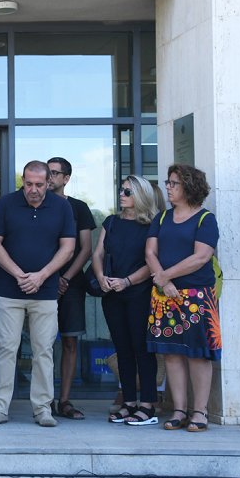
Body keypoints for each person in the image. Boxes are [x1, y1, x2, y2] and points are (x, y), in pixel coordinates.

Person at [0, 160, 75, 427]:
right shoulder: (6, 204)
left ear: (49, 182)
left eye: (39, 184)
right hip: (10, 290)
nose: (33, 189)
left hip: (45, 292)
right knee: (5, 350)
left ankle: (43, 409)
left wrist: (41, 276)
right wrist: (19, 274)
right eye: (28, 183)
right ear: (23, 180)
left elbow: (68, 247)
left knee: (43, 351)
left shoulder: (62, 207)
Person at [146, 164, 220, 432]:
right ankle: (178, 410)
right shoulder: (162, 218)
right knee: (172, 354)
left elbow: (201, 256)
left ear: (189, 187)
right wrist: (164, 282)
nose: (168, 187)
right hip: (165, 296)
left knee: (198, 355)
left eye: (173, 183)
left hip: (197, 297)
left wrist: (165, 277)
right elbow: (150, 253)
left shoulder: (205, 219)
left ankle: (199, 412)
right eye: (168, 182)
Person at [93, 175, 160, 425]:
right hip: (111, 293)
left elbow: (152, 261)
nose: (122, 195)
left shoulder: (152, 225)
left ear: (141, 196)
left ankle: (148, 404)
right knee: (122, 349)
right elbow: (98, 253)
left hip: (138, 293)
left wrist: (128, 281)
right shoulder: (111, 222)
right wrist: (100, 276)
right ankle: (129, 402)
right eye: (121, 190)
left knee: (141, 348)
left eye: (128, 192)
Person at [46, 157, 95, 421]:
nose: (50, 177)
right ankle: (43, 401)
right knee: (41, 345)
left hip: (71, 285)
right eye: (47, 172)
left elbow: (85, 248)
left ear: (66, 178)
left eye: (55, 173)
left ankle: (64, 401)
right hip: (40, 283)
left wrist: (64, 278)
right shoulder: (36, 204)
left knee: (69, 342)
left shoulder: (79, 207)